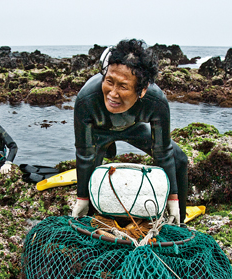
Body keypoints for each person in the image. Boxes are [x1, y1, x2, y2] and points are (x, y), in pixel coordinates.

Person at [72, 39, 188, 225]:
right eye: (109, 81)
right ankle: (93, 220)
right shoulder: (86, 99)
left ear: (142, 91)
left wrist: (172, 198)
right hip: (100, 132)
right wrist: (82, 198)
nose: (112, 93)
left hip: (133, 128)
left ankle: (179, 220)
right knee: (93, 173)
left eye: (123, 86)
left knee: (179, 158)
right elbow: (84, 153)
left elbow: (162, 151)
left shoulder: (155, 101)